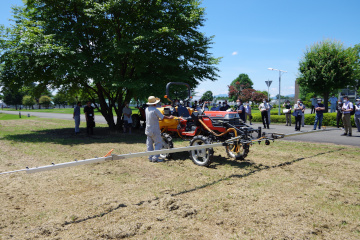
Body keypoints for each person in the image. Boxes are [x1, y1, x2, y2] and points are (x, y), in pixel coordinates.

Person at [145, 96, 174, 163]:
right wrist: (170, 117)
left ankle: (150, 157)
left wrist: (157, 119)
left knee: (149, 144)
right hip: (155, 129)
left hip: (148, 129)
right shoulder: (155, 110)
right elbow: (163, 117)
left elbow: (151, 117)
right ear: (154, 103)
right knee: (158, 143)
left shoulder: (147, 109)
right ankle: (155, 158)